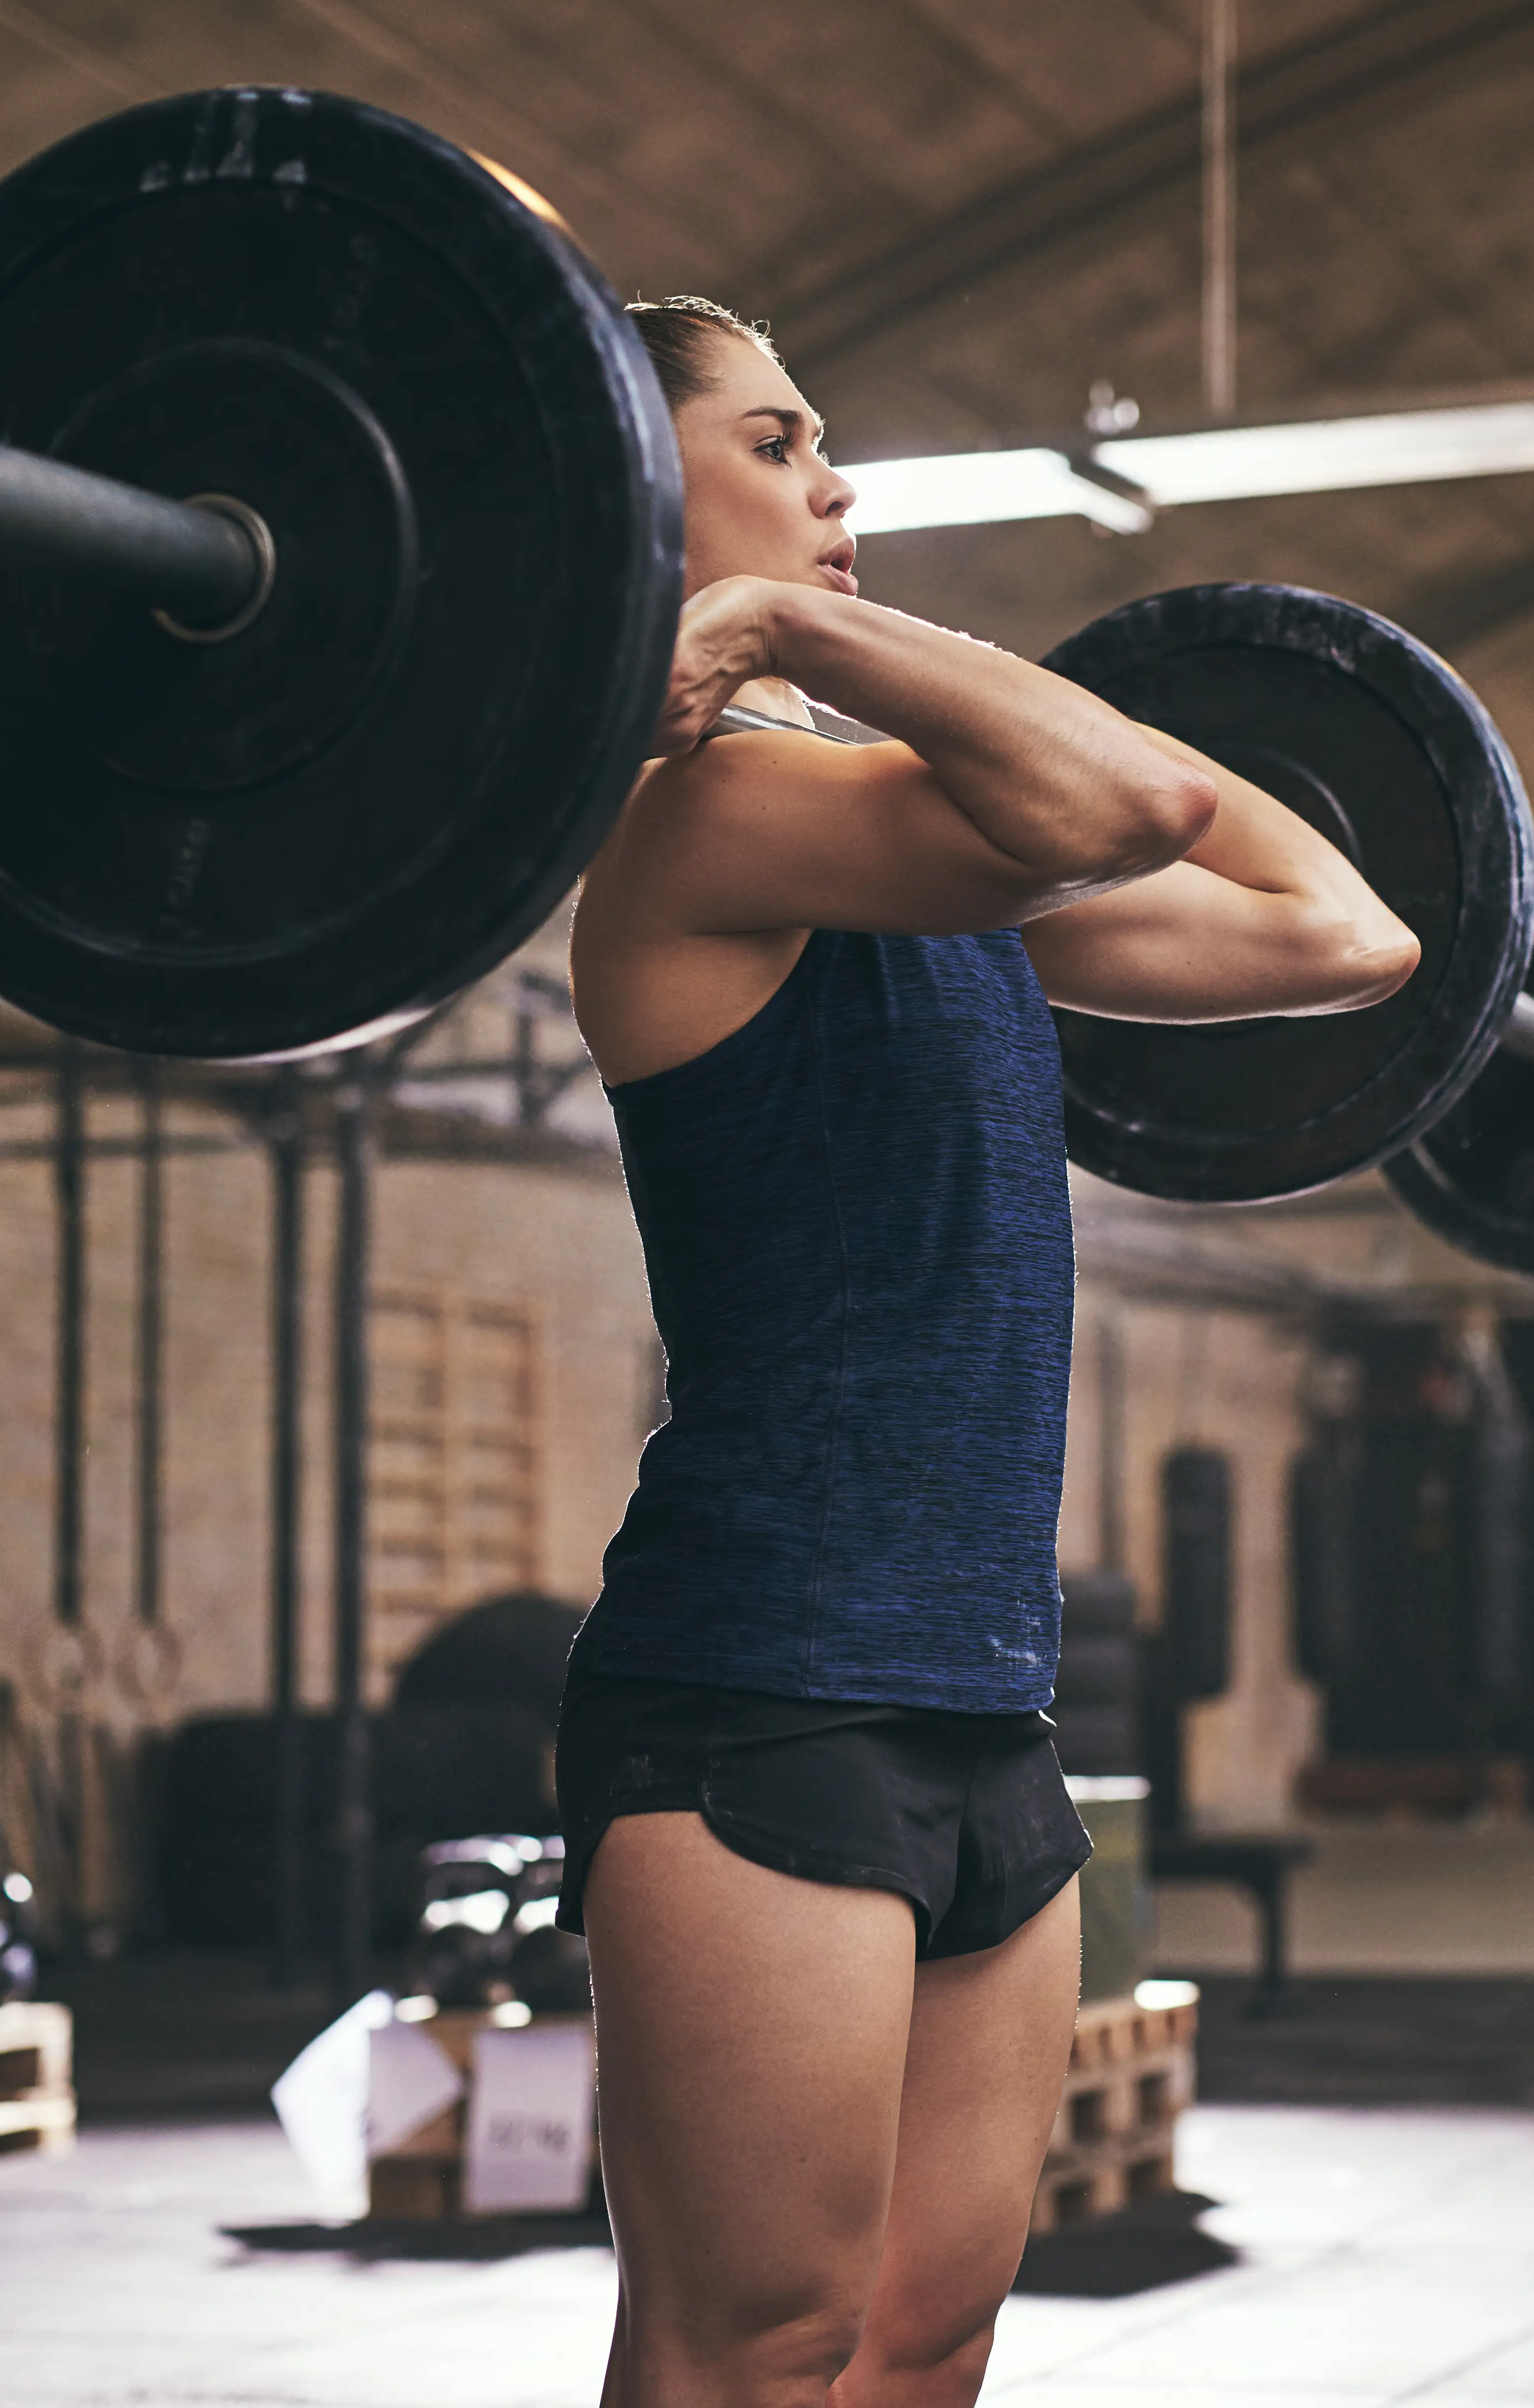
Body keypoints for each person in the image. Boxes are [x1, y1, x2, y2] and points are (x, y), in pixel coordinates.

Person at [560, 294, 1421, 2408]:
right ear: (617, 474)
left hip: (983, 1696)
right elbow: (1113, 804)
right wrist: (796, 641)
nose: (835, 487)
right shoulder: (711, 831)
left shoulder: (944, 876)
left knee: (927, 2341)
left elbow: (1346, 928)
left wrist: (795, 629)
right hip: (767, 1688)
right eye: (777, 444)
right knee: (749, 2348)